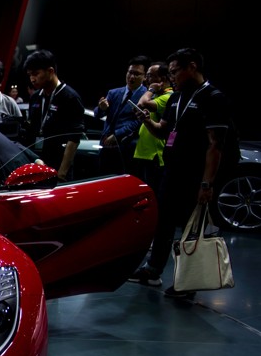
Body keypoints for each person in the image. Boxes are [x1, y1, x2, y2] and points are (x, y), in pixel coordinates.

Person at [129, 48, 240, 299]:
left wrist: (207, 183)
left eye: (176, 71)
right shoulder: (176, 98)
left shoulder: (213, 97)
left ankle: (189, 283)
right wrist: (147, 120)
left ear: (192, 67)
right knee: (163, 221)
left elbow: (216, 145)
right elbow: (164, 131)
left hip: (197, 175)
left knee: (192, 228)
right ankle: (153, 269)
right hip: (172, 171)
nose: (172, 76)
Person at [21, 50, 85, 182]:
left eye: (36, 74)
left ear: (50, 71)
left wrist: (62, 173)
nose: (32, 79)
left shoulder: (70, 97)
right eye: (30, 75)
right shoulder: (35, 97)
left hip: (59, 166)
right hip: (37, 163)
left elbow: (74, 139)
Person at [95, 56, 150, 175]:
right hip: (106, 146)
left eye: (137, 74)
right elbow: (97, 114)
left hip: (127, 147)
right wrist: (101, 108)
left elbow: (139, 122)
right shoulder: (114, 92)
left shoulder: (146, 96)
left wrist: (117, 135)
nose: (132, 77)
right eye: (130, 72)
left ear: (145, 77)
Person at [131, 61, 173, 190]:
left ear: (162, 79)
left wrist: (150, 90)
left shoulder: (168, 96)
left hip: (155, 154)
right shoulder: (157, 96)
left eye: (150, 76)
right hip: (144, 153)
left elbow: (142, 103)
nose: (146, 79)